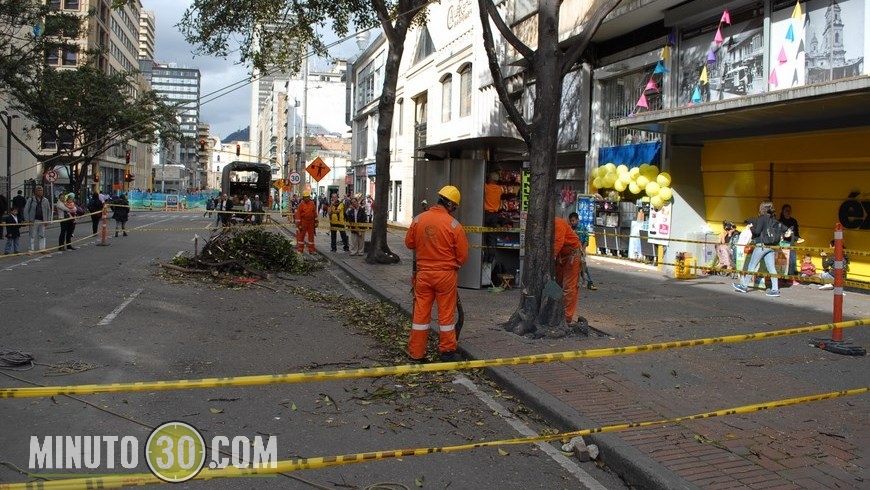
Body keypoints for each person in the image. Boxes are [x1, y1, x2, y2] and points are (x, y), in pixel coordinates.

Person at [405, 185, 469, 363]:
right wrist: (452, 264)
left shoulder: (419, 219)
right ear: (451, 205)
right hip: (445, 276)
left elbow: (409, 243)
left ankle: (416, 353)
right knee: (446, 315)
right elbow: (463, 256)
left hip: (423, 274)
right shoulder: (454, 225)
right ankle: (447, 352)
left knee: (420, 315)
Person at [732, 200, 792, 297]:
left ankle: (743, 286)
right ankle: (775, 289)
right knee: (771, 268)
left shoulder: (762, 218)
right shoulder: (774, 219)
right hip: (772, 246)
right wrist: (788, 233)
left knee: (752, 265)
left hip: (762, 245)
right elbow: (787, 230)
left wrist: (750, 227)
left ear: (762, 208)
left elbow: (757, 232)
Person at [555, 216, 582, 323]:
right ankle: (559, 311)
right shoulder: (552, 223)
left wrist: (551, 257)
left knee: (569, 286)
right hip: (562, 256)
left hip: (572, 255)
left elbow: (558, 242)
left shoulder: (557, 223)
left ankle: (567, 316)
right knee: (559, 283)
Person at [568, 212, 597, 290]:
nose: (572, 222)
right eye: (570, 221)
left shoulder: (582, 228)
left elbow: (586, 240)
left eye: (573, 220)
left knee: (583, 266)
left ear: (577, 219)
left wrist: (582, 250)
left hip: (580, 250)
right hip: (571, 251)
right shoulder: (570, 229)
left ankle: (589, 282)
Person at [23, 185, 52, 253]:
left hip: (43, 220)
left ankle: (42, 249)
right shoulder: (31, 200)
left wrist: (47, 220)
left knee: (42, 235)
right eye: (38, 190)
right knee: (32, 235)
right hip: (33, 220)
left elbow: (48, 211)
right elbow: (26, 210)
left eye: (41, 190)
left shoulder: (45, 200)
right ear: (35, 192)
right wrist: (27, 220)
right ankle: (31, 249)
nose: (40, 192)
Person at [778, 204, 800, 285]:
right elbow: (777, 233)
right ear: (783, 211)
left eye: (789, 210)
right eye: (786, 210)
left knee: (793, 261)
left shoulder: (794, 221)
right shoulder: (779, 221)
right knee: (781, 262)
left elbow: (797, 234)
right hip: (782, 243)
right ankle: (780, 277)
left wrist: (798, 239)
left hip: (791, 243)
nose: (788, 212)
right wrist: (784, 235)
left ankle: (790, 278)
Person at [483, 171, 502, 261]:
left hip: (486, 214)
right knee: (491, 237)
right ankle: (491, 257)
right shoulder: (499, 189)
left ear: (490, 179)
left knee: (484, 236)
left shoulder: (486, 187)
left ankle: (484, 255)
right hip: (494, 216)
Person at [295, 190, 318, 254]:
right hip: (303, 222)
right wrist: (299, 224)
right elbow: (298, 215)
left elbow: (314, 213)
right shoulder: (301, 205)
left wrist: (316, 221)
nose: (307, 198)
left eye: (308, 197)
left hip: (311, 222)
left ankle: (311, 250)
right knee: (301, 236)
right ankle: (300, 249)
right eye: (305, 197)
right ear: (303, 198)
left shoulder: (312, 203)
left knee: (311, 237)